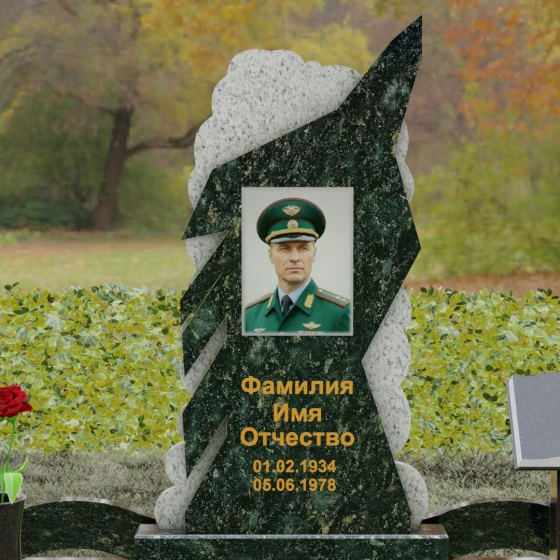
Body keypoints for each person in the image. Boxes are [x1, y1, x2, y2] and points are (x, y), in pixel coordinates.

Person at [244, 197, 351, 334]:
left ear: (314, 253)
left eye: (303, 248)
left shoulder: (339, 313)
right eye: (284, 248)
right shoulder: (250, 316)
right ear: (271, 255)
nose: (295, 258)